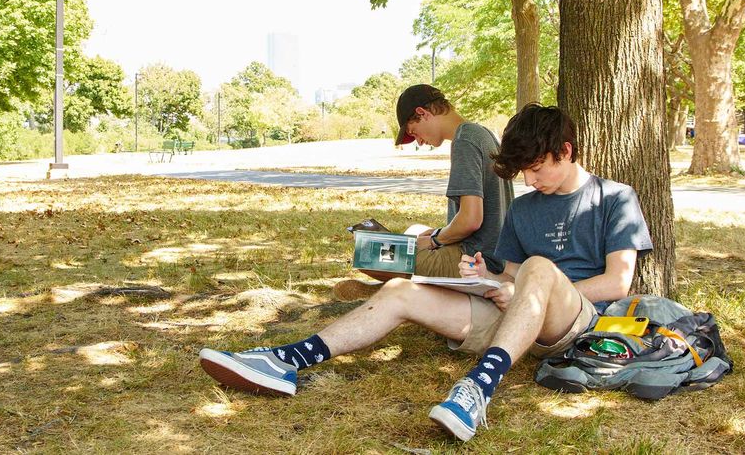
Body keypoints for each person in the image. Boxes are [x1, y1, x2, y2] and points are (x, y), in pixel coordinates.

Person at [198, 104, 653, 442]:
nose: (531, 181)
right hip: (516, 322)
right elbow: (511, 274)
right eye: (525, 174)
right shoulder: (524, 207)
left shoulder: (615, 198)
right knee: (399, 288)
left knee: (539, 267)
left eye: (536, 169)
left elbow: (617, 282)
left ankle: (476, 389)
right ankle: (287, 361)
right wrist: (489, 280)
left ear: (565, 151)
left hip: (575, 324)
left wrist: (531, 287)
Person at [333, 84, 514, 300]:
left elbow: (471, 220)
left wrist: (435, 240)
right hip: (493, 253)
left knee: (370, 254)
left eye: (413, 132)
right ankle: (403, 286)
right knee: (414, 231)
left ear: (422, 113)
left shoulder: (464, 140)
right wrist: (439, 233)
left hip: (474, 261)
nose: (419, 141)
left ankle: (390, 291)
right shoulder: (483, 133)